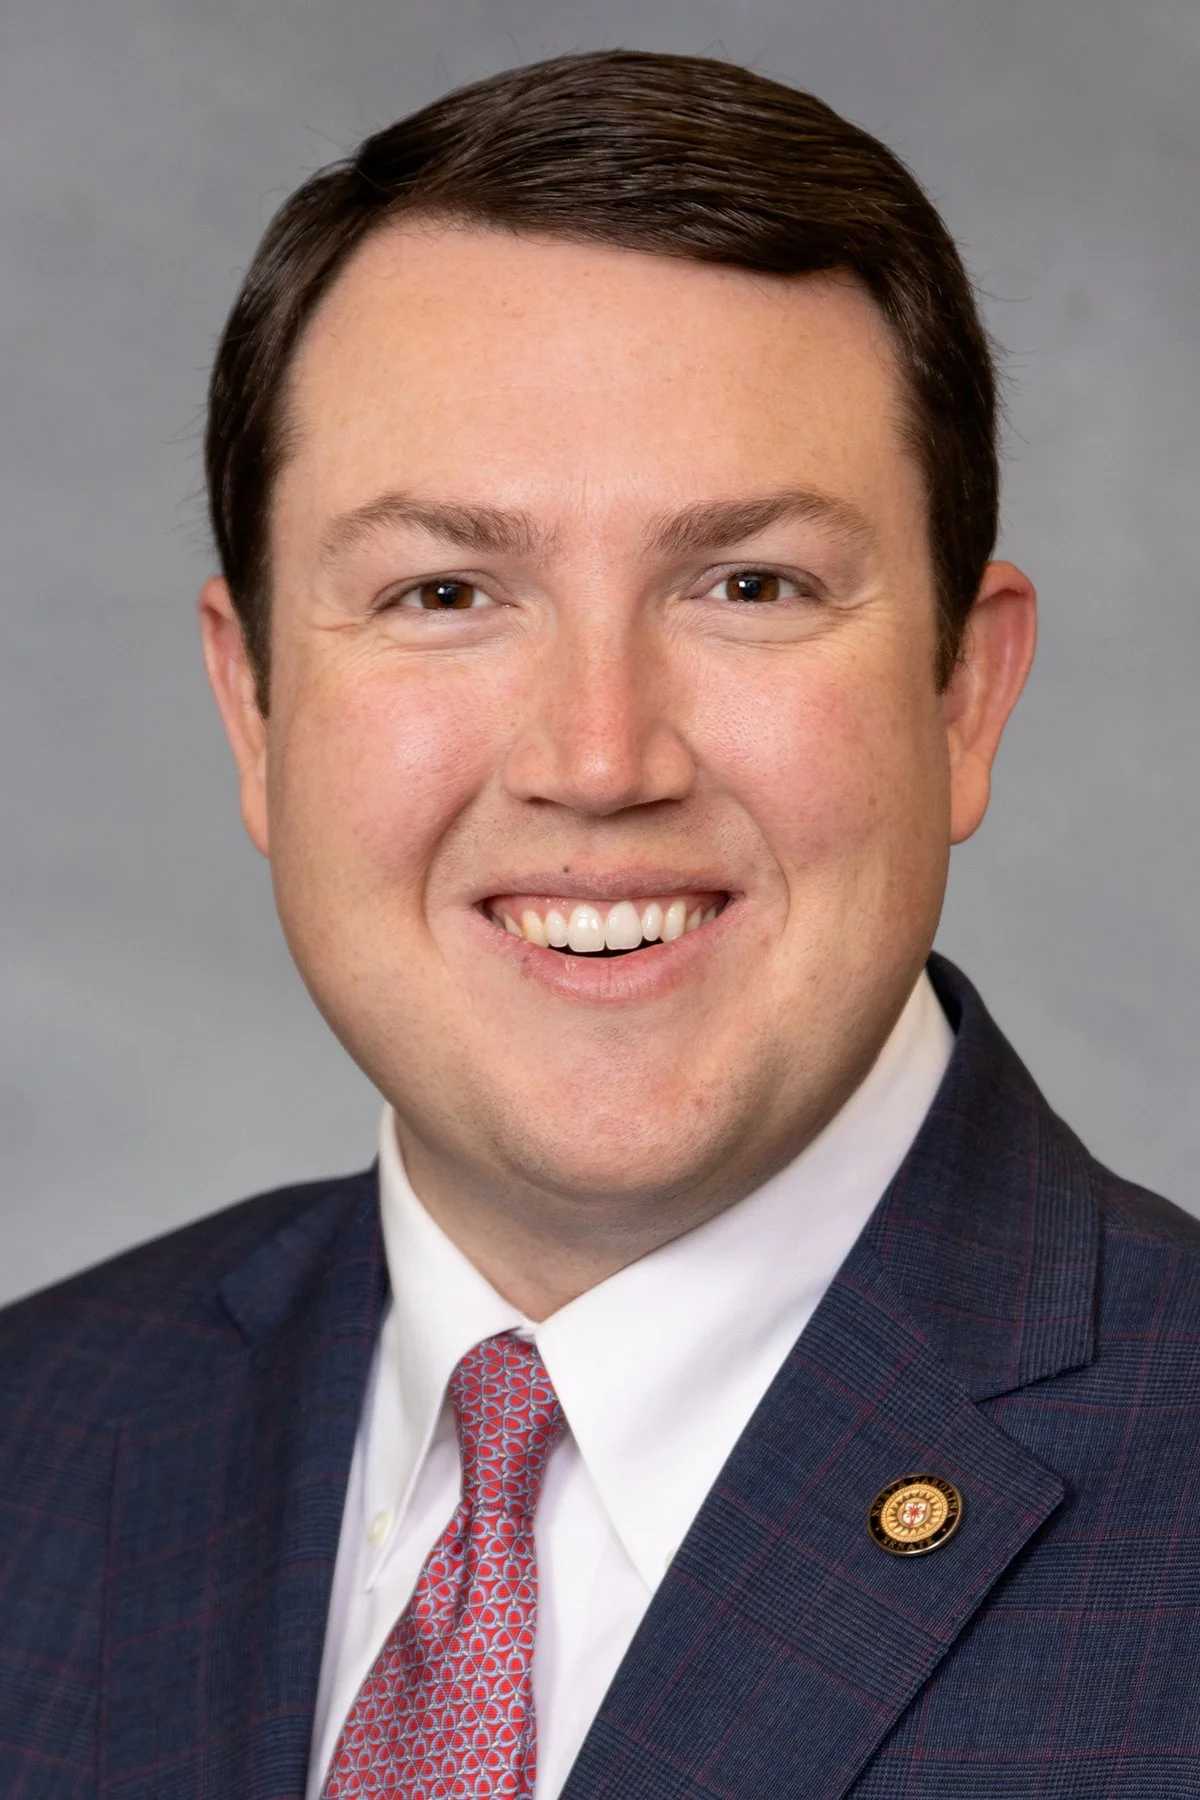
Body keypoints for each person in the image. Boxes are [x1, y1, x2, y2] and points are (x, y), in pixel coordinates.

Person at [2, 47, 1198, 1799]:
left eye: (749, 585)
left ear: (966, 692)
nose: (598, 757)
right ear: (256, 708)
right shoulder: (37, 1442)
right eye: (445, 592)